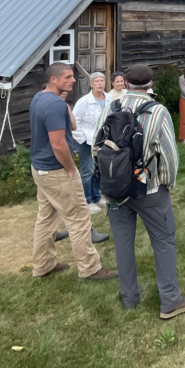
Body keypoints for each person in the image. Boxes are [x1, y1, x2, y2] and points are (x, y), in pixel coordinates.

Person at [104, 64, 185, 319]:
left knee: (123, 244)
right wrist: (167, 184)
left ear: (127, 83)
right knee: (164, 241)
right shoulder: (157, 111)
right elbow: (168, 155)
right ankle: (170, 301)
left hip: (116, 189)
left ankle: (129, 298)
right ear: (150, 84)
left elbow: (96, 146)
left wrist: (109, 178)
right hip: (149, 187)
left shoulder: (111, 107)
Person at [28, 62, 117, 282]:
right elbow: (59, 144)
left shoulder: (41, 98)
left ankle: (43, 265)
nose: (73, 80)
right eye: (67, 77)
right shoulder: (53, 105)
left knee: (46, 219)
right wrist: (70, 169)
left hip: (40, 169)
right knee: (79, 219)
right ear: (53, 80)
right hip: (56, 171)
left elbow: (74, 126)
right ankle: (90, 269)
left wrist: (63, 103)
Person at [70, 73, 111, 244]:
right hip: (85, 140)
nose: (100, 83)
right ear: (91, 84)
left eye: (102, 81)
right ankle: (87, 200)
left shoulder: (108, 99)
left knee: (98, 168)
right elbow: (74, 121)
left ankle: (96, 196)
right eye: (97, 81)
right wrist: (81, 139)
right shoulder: (84, 101)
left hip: (101, 140)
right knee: (87, 170)